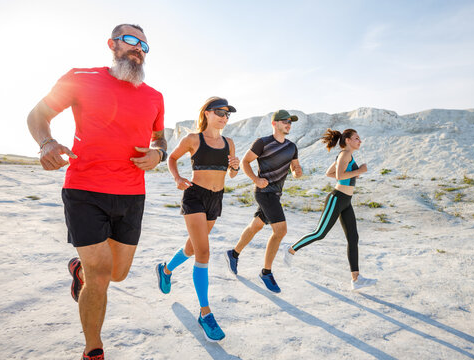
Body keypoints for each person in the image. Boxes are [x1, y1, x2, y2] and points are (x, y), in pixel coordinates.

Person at [27, 24, 166, 360]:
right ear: (112, 44)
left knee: (117, 274)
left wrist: (158, 153)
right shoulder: (81, 77)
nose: (139, 49)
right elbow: (38, 114)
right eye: (131, 41)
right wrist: (46, 142)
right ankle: (93, 349)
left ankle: (78, 269)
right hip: (84, 190)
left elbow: (159, 138)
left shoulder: (154, 96)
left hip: (132, 195)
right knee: (101, 276)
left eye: (144, 45)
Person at [155, 97, 240, 342]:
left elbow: (232, 176)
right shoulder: (193, 139)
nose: (224, 117)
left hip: (216, 199)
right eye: (220, 112)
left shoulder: (229, 143)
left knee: (192, 248)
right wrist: (177, 178)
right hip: (194, 197)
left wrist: (234, 167)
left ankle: (166, 269)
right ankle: (205, 313)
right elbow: (171, 159)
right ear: (207, 113)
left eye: (227, 114)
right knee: (203, 253)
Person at [283, 128, 377, 291]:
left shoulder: (347, 155)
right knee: (320, 233)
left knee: (353, 237)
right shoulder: (344, 154)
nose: (359, 141)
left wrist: (353, 173)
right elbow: (339, 176)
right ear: (347, 140)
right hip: (337, 198)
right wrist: (359, 171)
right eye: (356, 138)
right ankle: (291, 250)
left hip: (346, 201)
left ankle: (356, 279)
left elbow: (329, 173)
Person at [225, 109, 302, 293]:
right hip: (264, 192)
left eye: (290, 122)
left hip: (276, 194)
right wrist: (256, 180)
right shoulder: (263, 143)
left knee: (256, 226)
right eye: (285, 121)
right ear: (274, 123)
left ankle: (233, 253)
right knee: (280, 230)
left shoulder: (292, 147)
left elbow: (295, 167)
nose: (289, 124)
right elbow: (245, 162)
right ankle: (266, 272)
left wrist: (297, 172)